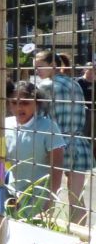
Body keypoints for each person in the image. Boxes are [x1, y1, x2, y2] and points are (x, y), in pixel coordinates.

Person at [35, 49, 93, 216]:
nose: (37, 71)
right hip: (78, 143)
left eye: (40, 66)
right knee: (77, 200)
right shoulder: (74, 83)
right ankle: (81, 240)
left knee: (48, 197)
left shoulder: (45, 86)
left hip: (55, 145)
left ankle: (45, 235)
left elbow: (39, 118)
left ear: (53, 65)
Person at [5, 81, 65, 217]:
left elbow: (57, 165)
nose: (18, 108)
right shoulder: (4, 125)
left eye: (25, 103)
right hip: (11, 193)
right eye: (14, 102)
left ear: (37, 104)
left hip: (39, 196)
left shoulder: (48, 127)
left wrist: (50, 199)